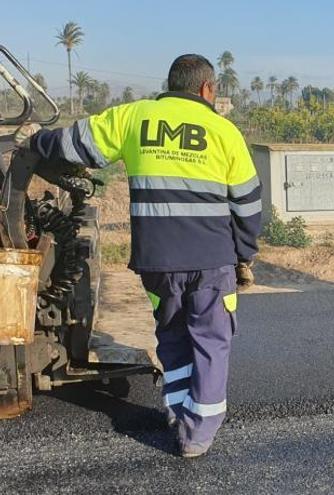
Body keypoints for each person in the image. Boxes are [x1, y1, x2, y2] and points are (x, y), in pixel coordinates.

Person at [22, 54, 262, 456]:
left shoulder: (134, 118)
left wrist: (34, 141)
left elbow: (75, 142)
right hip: (211, 261)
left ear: (171, 83)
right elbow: (248, 204)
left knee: (171, 333)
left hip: (157, 261)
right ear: (207, 89)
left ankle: (178, 410)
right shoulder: (224, 132)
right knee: (211, 340)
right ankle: (197, 432)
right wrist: (245, 253)